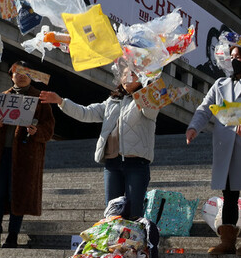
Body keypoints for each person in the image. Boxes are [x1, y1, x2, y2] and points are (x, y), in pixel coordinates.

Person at [186, 41, 241, 255]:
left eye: (239, 58)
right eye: (231, 56)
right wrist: (194, 126)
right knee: (229, 194)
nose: (233, 61)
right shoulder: (220, 84)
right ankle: (228, 240)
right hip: (225, 144)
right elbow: (205, 107)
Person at [39, 76, 157, 220]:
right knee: (112, 214)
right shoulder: (112, 101)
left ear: (141, 79)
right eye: (124, 74)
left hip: (137, 164)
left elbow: (151, 112)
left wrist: (149, 88)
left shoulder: (146, 98)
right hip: (112, 163)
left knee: (134, 213)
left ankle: (135, 242)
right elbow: (85, 113)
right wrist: (61, 101)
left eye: (132, 75)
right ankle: (113, 242)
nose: (127, 78)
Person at [0, 62, 55, 249]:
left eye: (26, 72)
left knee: (17, 194)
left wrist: (37, 131)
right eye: (18, 72)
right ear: (11, 75)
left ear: (31, 75)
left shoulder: (39, 99)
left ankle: (13, 236)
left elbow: (48, 129)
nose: (22, 76)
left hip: (26, 156)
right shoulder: (2, 97)